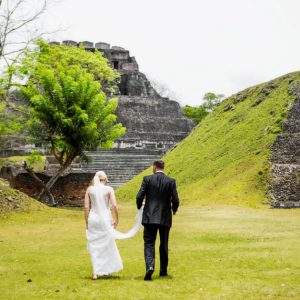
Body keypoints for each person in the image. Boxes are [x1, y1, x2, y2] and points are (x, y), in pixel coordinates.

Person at [85, 171, 143, 280]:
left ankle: (95, 272)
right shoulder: (109, 189)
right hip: (105, 219)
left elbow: (86, 207)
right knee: (107, 243)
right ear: (105, 179)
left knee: (94, 245)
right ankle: (105, 269)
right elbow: (114, 205)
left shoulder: (90, 190)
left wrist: (87, 221)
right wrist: (116, 218)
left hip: (93, 218)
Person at [136, 160, 179, 281]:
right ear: (163, 167)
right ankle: (163, 271)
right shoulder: (171, 181)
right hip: (165, 216)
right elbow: (175, 199)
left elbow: (139, 196)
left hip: (149, 216)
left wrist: (140, 207)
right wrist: (174, 210)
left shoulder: (147, 179)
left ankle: (150, 266)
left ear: (154, 167)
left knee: (149, 243)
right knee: (164, 244)